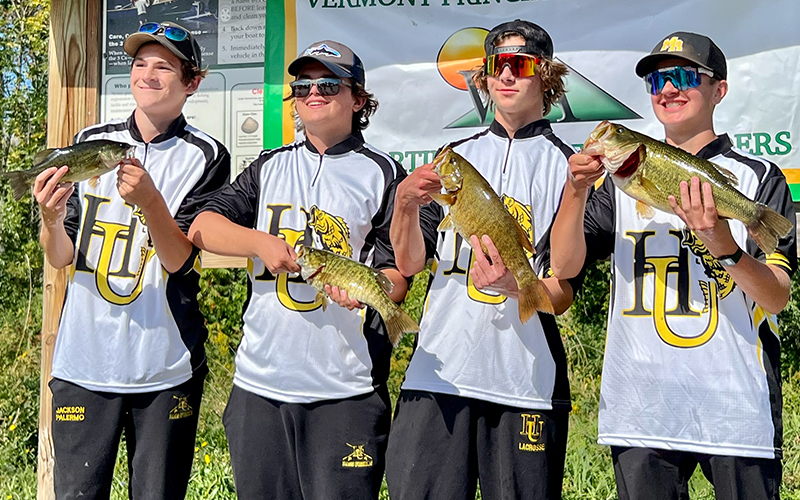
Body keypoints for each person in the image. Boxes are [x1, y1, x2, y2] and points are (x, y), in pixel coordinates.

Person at [550, 32, 795, 500]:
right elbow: (562, 268)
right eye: (657, 80)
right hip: (641, 407)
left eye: (683, 76)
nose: (667, 90)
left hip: (736, 407)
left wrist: (724, 245)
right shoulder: (617, 183)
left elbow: (776, 296)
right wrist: (576, 191)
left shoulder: (758, 178)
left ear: (719, 89)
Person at [188, 40, 406, 499]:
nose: (312, 92)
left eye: (327, 83)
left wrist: (368, 292)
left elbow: (396, 274)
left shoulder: (384, 171)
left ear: (359, 99)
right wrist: (259, 243)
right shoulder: (268, 165)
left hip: (345, 390)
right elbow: (202, 227)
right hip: (258, 389)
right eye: (302, 85)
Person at [385, 20, 581, 500]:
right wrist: (405, 205)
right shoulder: (454, 155)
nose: (506, 76)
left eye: (520, 65)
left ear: (547, 77)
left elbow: (567, 283)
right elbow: (410, 263)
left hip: (525, 385)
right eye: (496, 65)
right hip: (439, 376)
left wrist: (520, 288)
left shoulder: (569, 165)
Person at [35, 22, 230, 499]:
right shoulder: (90, 139)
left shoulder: (206, 155)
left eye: (163, 66)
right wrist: (50, 219)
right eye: (140, 64)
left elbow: (181, 260)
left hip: (165, 366)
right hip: (84, 364)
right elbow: (62, 257)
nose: (147, 74)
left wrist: (150, 201)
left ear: (193, 82)